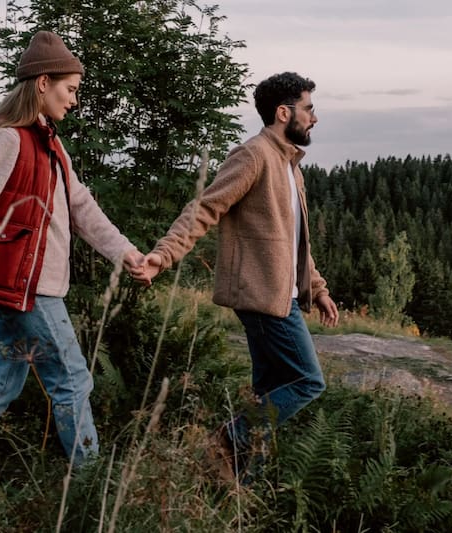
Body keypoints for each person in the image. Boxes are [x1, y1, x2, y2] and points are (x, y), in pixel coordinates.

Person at [0, 30, 145, 468]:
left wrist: (127, 253)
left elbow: (81, 207)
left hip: (23, 290)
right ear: (42, 83)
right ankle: (89, 480)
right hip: (30, 290)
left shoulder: (49, 144)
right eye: (69, 89)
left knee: (2, 382)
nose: (74, 100)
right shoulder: (7, 140)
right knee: (72, 380)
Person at [139, 72, 340, 478]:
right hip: (261, 297)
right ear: (284, 113)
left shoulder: (290, 167)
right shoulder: (253, 156)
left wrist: (317, 288)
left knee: (267, 394)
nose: (314, 119)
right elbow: (204, 209)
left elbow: (295, 240)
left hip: (282, 294)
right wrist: (165, 254)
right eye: (309, 109)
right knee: (307, 382)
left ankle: (241, 484)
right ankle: (229, 440)